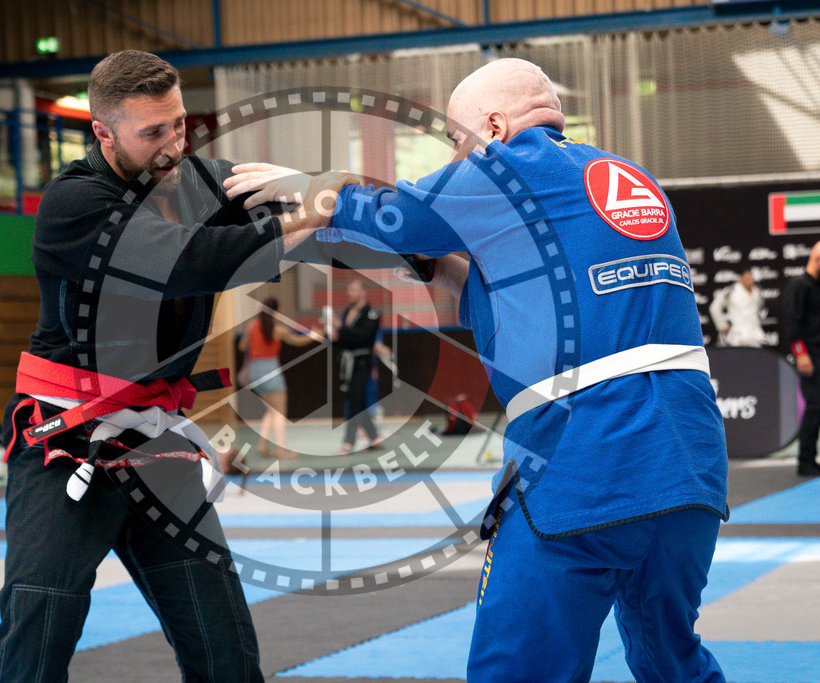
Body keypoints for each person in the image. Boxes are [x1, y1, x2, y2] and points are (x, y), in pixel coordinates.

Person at [229, 58, 729, 681]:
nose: (460, 163)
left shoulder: (513, 163)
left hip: (587, 463)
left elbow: (402, 214)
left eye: (459, 146)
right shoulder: (625, 178)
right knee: (668, 655)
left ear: (494, 126)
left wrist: (310, 190)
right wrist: (404, 257)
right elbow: (496, 276)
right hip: (688, 468)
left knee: (515, 670)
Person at [0, 50, 348, 682]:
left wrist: (349, 201)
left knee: (223, 646)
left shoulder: (197, 180)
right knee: (37, 638)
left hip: (155, 442)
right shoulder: (74, 203)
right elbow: (187, 262)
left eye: (178, 125)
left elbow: (314, 220)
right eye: (153, 133)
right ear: (104, 133)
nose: (173, 145)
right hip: (66, 438)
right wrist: (314, 211)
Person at [238, 296, 323, 458]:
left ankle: (263, 445)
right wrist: (314, 335)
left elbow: (242, 346)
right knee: (280, 412)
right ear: (276, 312)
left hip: (254, 371)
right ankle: (281, 449)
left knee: (271, 410)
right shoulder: (279, 330)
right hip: (270, 369)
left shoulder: (251, 326)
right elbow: (297, 341)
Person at [782, 240, 820, 477]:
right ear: (817, 259)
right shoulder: (799, 286)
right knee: (814, 407)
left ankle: (812, 458)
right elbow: (792, 323)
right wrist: (800, 353)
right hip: (810, 357)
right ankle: (805, 461)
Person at [332, 279, 384, 454]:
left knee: (354, 400)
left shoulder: (372, 313)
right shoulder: (347, 312)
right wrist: (335, 338)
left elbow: (365, 337)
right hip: (348, 362)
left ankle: (348, 442)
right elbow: (345, 338)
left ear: (363, 292)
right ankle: (374, 437)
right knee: (358, 400)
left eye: (353, 290)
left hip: (363, 361)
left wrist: (342, 329)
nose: (349, 293)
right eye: (348, 290)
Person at [709, 268, 766, 347]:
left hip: (755, 334)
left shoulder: (757, 291)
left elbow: (760, 307)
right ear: (741, 278)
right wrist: (723, 326)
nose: (750, 281)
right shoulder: (731, 291)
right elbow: (714, 307)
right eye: (747, 278)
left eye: (751, 278)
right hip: (738, 335)